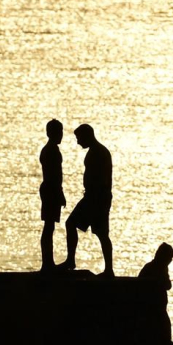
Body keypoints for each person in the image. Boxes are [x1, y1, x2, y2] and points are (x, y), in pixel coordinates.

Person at [57, 124, 114, 277]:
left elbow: (101, 179)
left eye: (79, 138)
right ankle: (108, 269)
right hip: (95, 197)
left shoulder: (98, 152)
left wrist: (94, 197)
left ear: (87, 136)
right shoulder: (97, 151)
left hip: (96, 198)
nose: (78, 142)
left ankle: (72, 261)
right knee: (101, 233)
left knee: (76, 225)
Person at [39, 119, 67, 271]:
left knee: (49, 226)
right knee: (49, 226)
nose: (61, 135)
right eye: (59, 132)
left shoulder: (49, 150)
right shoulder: (51, 151)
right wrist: (59, 193)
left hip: (50, 188)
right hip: (50, 189)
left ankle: (48, 261)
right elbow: (54, 175)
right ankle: (47, 262)